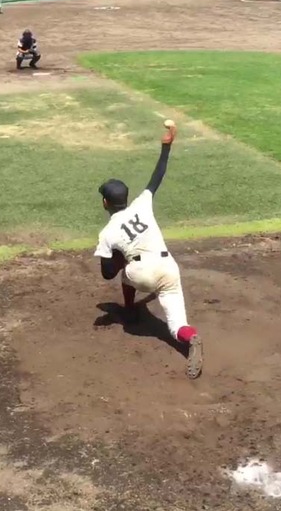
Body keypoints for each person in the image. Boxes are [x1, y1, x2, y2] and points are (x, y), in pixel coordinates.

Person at [94, 122, 203, 379]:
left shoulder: (107, 233)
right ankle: (191, 337)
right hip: (169, 268)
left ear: (105, 203)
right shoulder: (142, 203)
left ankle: (130, 310)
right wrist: (166, 146)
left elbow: (107, 274)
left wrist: (120, 257)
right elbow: (157, 175)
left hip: (142, 274)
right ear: (126, 198)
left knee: (126, 273)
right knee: (177, 325)